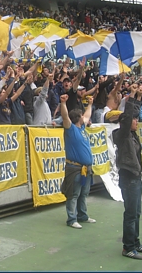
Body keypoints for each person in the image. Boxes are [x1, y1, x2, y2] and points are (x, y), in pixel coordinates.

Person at [113, 83, 142, 260]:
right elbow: (128, 117)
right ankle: (128, 247)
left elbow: (132, 115)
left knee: (136, 212)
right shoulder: (122, 135)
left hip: (135, 178)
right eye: (134, 120)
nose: (137, 121)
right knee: (130, 213)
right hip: (128, 179)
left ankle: (135, 242)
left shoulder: (132, 136)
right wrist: (132, 96)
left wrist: (139, 98)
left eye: (137, 119)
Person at [60, 93, 96, 229]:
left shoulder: (81, 128)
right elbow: (64, 117)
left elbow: (87, 115)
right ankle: (72, 219)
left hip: (85, 168)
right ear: (78, 118)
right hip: (75, 169)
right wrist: (63, 103)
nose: (84, 117)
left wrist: (90, 104)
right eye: (81, 115)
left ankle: (83, 216)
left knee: (83, 193)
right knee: (74, 194)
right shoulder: (71, 129)